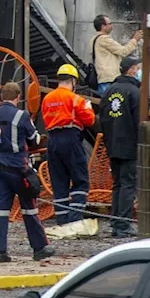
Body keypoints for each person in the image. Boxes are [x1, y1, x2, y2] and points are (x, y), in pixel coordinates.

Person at [0, 82, 54, 263]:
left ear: (2, 97)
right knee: (29, 208)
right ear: (18, 97)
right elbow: (34, 139)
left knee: (0, 210)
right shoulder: (21, 116)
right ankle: (39, 248)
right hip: (18, 169)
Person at [41, 63, 98, 239]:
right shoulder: (75, 99)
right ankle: (75, 221)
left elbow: (44, 118)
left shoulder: (47, 98)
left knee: (59, 182)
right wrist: (88, 107)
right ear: (73, 81)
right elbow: (89, 120)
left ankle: (62, 222)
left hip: (53, 141)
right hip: (71, 139)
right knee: (80, 181)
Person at [100, 57, 141, 238]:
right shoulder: (135, 92)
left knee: (117, 184)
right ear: (131, 70)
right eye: (137, 68)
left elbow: (102, 119)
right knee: (127, 184)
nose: (138, 71)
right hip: (129, 146)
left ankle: (116, 222)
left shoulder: (109, 91)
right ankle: (123, 224)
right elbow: (139, 121)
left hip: (112, 144)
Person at [90, 15, 142, 97]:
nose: (112, 26)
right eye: (109, 24)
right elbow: (123, 51)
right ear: (103, 26)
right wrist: (135, 40)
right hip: (110, 79)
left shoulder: (94, 39)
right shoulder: (104, 39)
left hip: (103, 78)